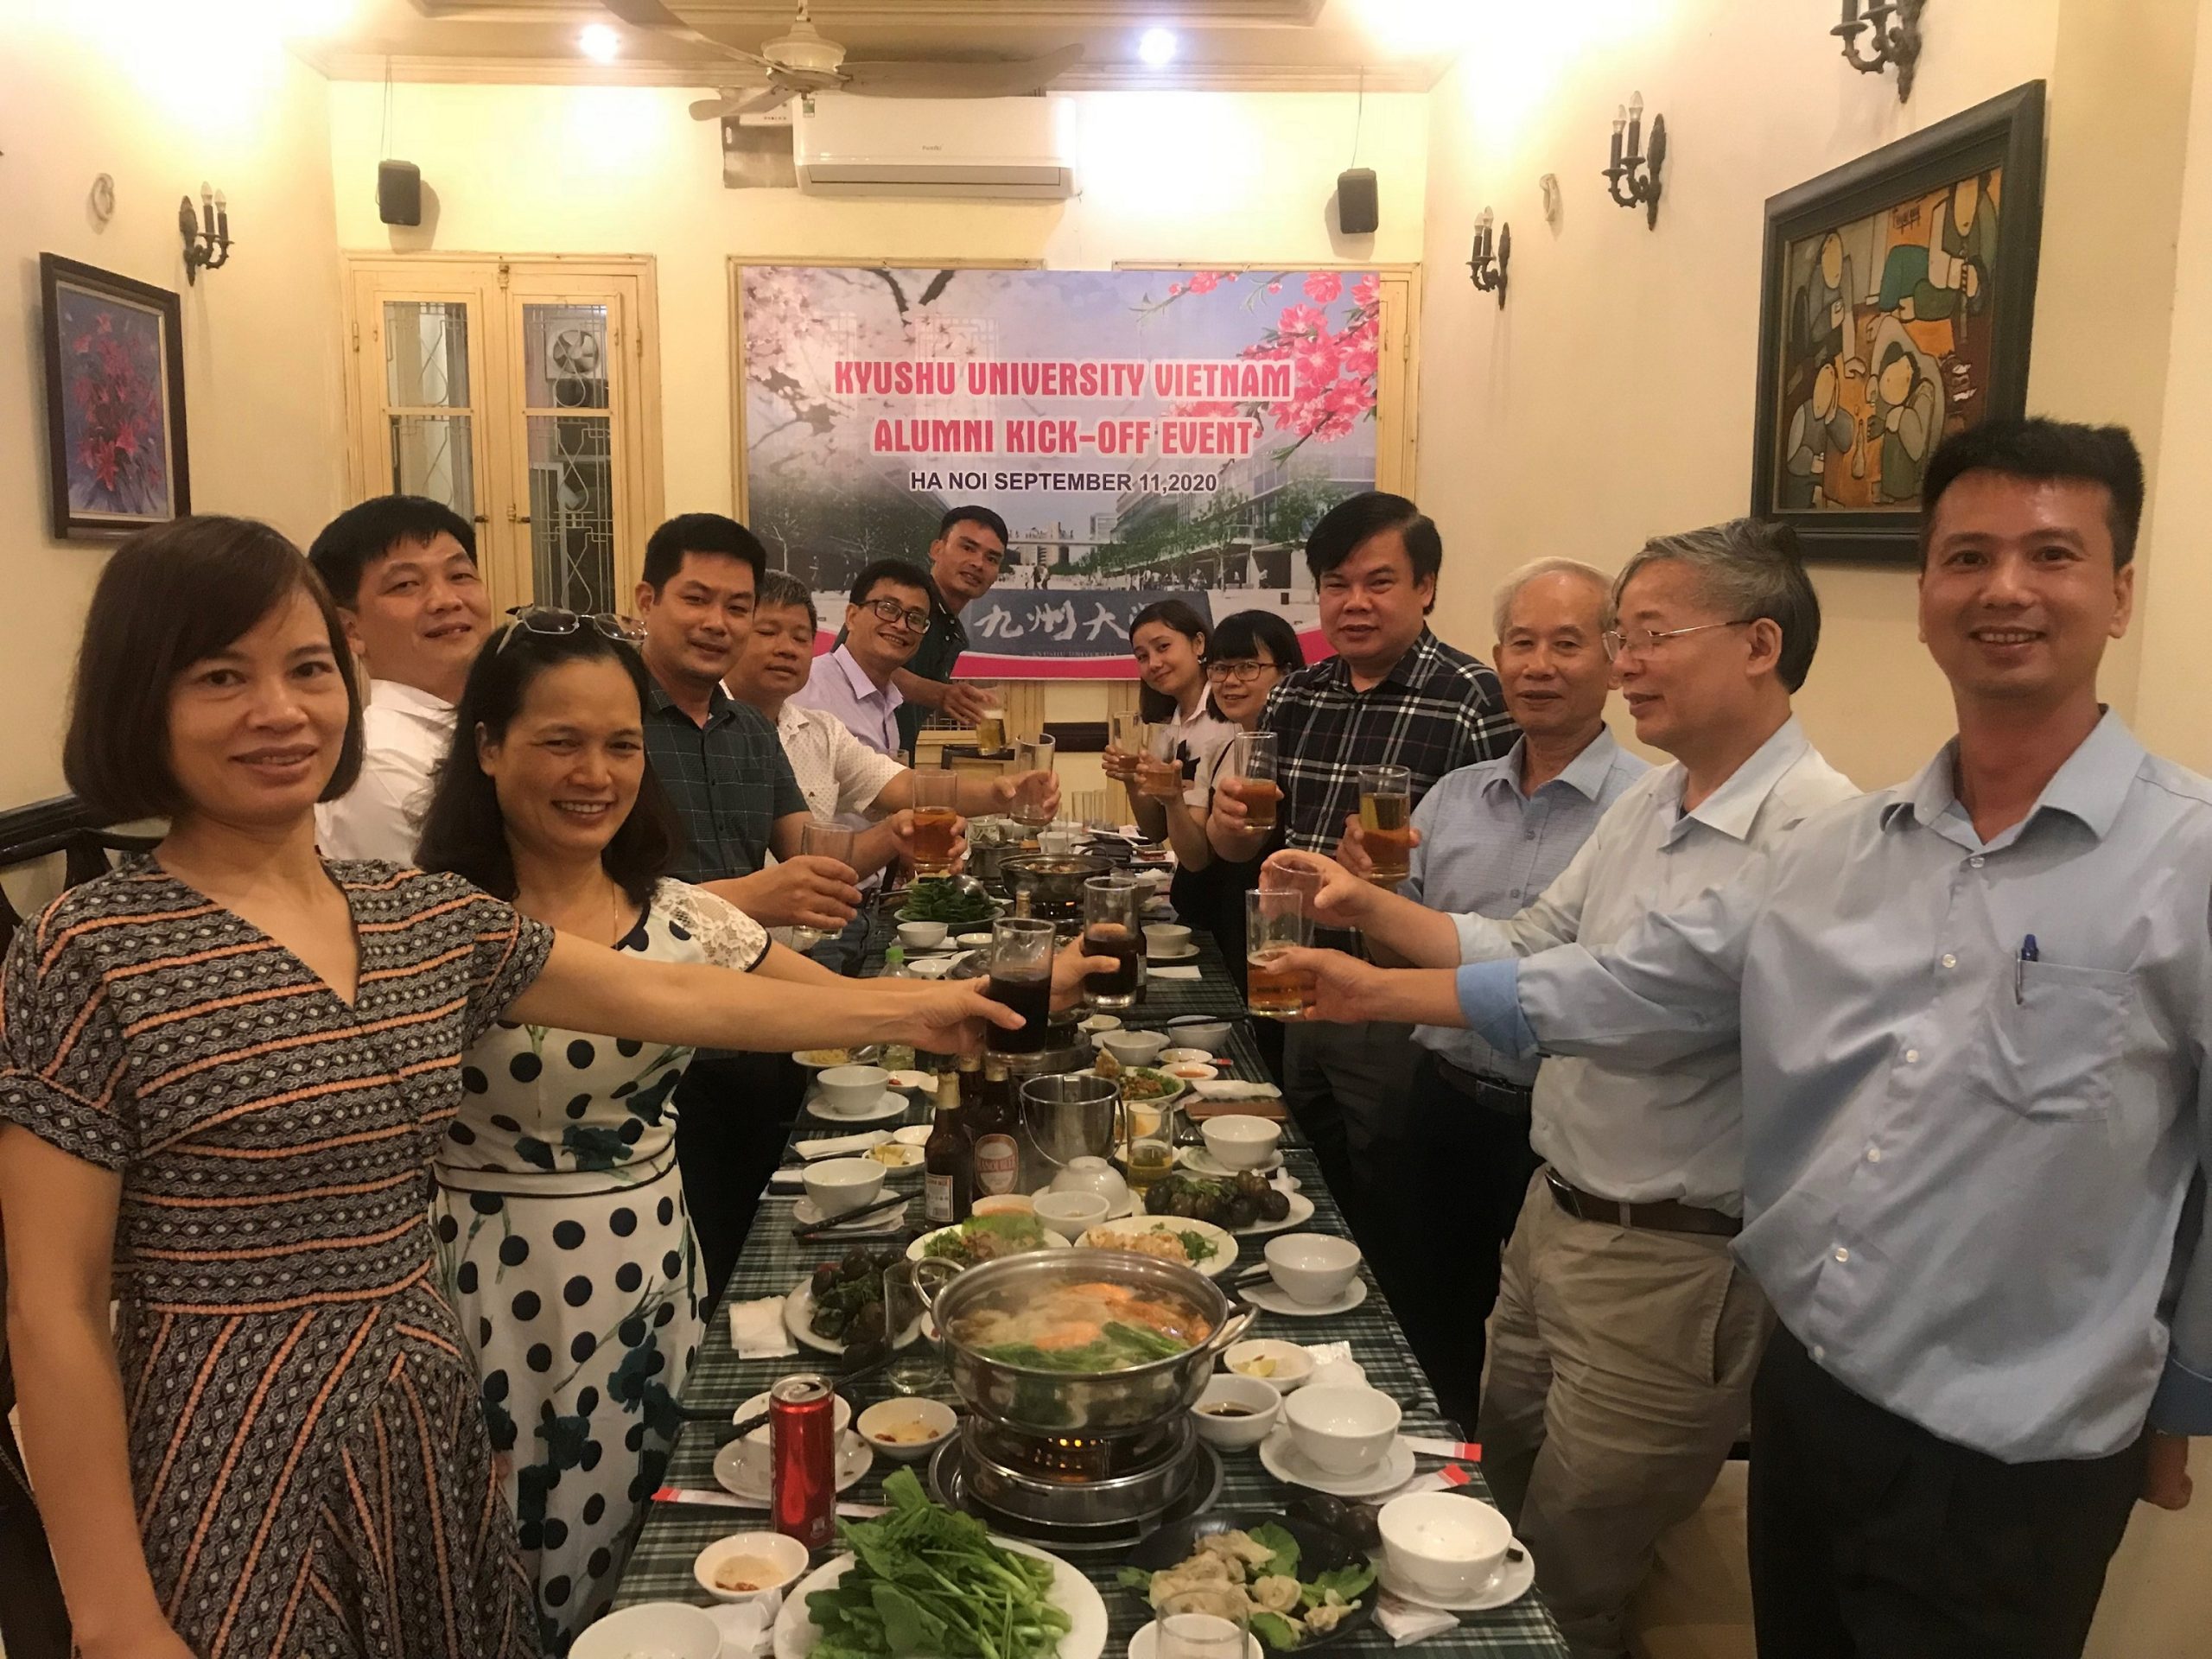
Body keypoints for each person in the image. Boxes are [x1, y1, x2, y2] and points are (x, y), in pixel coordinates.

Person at [0, 516, 1017, 1659]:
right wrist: (113, 1620)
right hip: (230, 1442)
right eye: (221, 678)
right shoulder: (91, 947)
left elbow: (679, 991)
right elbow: (52, 1305)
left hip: (431, 1414)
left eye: (307, 670)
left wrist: (918, 1010)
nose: (280, 711)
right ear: (142, 697)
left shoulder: (411, 911)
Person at [1311, 421, 2207, 1659]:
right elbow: (1601, 960)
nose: (2003, 588)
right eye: (1965, 558)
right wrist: (1373, 937)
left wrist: (2180, 1398)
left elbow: (1640, 991)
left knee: (1567, 1576)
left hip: (2011, 1430)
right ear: (1926, 595)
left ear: (2119, 591)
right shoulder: (1858, 846)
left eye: (2051, 554)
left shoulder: (2180, 857)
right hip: (1807, 1376)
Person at [1271, 517, 1855, 1659]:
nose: (1624, 664)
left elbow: (1632, 994)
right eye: (1621, 637)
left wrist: (1375, 992)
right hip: (1557, 1215)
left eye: (1647, 637)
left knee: (1573, 1569)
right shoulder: (1656, 800)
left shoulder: (1821, 828)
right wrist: (1368, 904)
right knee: (1485, 1511)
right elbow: (1535, 936)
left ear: (1759, 644)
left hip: (1672, 1259)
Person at [415, 616, 828, 1649]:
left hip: (651, 1266)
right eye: (560, 742)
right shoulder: (433, 923)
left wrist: (1003, 995)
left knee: (653, 1539)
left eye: (621, 745)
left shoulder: (682, 916)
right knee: (510, 1551)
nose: (594, 774)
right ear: (488, 747)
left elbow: (834, 1009)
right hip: (498, 1292)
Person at [1338, 557, 1647, 1432]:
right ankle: (1437, 1478)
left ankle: (1520, 1499)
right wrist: (1375, 894)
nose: (1538, 666)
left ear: (1615, 660)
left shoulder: (1646, 809)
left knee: (1548, 1358)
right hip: (1444, 1103)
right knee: (1424, 1319)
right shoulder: (1450, 798)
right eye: (1520, 643)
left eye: (1566, 644)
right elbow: (1392, 949)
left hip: (1568, 1131)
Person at [1207, 490, 1518, 1252]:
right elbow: (1250, 847)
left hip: (1396, 1002)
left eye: (1379, 582)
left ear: (1426, 587)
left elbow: (1498, 873)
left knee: (1390, 1198)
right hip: (1295, 982)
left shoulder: (1473, 700)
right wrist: (1228, 823)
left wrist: (1385, 886)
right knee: (1299, 1177)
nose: (1354, 603)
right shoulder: (1298, 694)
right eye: (1336, 584)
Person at [632, 512, 873, 1292]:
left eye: (736, 606)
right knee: (683, 1261)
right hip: (647, 1035)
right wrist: (751, 899)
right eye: (696, 599)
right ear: (647, 600)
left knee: (758, 1236)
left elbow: (806, 848)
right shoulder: (610, 721)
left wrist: (905, 829)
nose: (718, 622)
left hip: (752, 1017)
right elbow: (591, 904)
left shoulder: (749, 730)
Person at [728, 575, 1059, 970]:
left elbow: (902, 786)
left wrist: (1001, 793)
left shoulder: (820, 730)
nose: (786, 648)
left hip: (826, 929)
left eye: (801, 638)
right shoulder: (706, 727)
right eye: (767, 632)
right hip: (732, 954)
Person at [1145, 609, 1306, 1080]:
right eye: (1220, 668)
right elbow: (1202, 854)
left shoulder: (1298, 752)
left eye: (1248, 667)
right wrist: (1168, 797)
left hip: (1271, 936)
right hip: (1225, 926)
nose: (1230, 681)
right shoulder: (1232, 744)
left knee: (1273, 1063)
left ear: (1288, 673)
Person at [308, 493, 495, 861]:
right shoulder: (378, 763)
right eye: (406, 585)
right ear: (350, 630)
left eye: (460, 576)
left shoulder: (498, 725)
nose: (446, 600)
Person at [1103, 600, 1238, 845]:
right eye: (1142, 656)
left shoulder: (1230, 717)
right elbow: (1156, 831)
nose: (1154, 663)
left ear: (1198, 644)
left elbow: (1205, 849)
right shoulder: (1167, 727)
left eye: (1163, 647)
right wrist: (1132, 779)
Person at [886, 506, 1010, 755]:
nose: (978, 563)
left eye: (992, 559)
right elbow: (854, 663)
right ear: (937, 549)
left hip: (894, 765)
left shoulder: (949, 627)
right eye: (968, 548)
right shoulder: (901, 601)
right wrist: (939, 694)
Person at [791, 559, 933, 758]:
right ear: (852, 617)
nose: (901, 626)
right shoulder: (807, 689)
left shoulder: (890, 700)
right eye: (888, 608)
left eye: (915, 619)